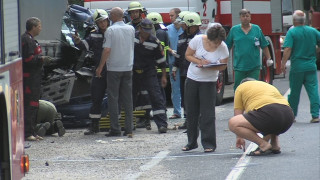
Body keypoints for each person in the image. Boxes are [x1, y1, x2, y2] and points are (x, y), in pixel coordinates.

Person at [182, 24, 229, 153]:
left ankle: (209, 143)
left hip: (209, 81)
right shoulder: (197, 40)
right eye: (216, 42)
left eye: (220, 41)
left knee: (208, 114)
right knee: (192, 112)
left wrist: (212, 66)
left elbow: (223, 66)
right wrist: (200, 62)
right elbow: (188, 55)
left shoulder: (223, 47)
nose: (218, 44)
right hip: (193, 79)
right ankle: (191, 142)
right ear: (209, 38)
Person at [228, 78, 294, 156]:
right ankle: (275, 144)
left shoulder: (241, 87)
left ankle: (263, 145)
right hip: (288, 116)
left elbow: (238, 114)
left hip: (269, 113)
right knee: (267, 118)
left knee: (233, 123)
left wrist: (239, 136)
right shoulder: (267, 86)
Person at [96, 7, 135, 137]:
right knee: (128, 99)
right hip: (128, 67)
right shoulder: (131, 29)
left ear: (114, 16)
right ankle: (129, 128)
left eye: (110, 15)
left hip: (114, 68)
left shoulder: (110, 30)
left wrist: (100, 66)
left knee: (113, 98)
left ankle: (115, 129)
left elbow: (107, 50)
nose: (109, 17)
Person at [72, 9, 110, 135]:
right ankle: (94, 126)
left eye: (104, 21)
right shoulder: (94, 34)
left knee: (116, 97)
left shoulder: (114, 32)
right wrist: (77, 41)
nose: (102, 24)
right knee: (96, 97)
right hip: (99, 70)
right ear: (97, 23)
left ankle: (116, 124)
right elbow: (85, 46)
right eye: (100, 22)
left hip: (113, 69)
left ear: (107, 20)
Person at [281, 10, 320, 123]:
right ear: (304, 21)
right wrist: (317, 50)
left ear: (294, 21)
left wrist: (283, 64)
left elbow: (288, 49)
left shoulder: (292, 32)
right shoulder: (313, 31)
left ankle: (292, 115)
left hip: (297, 67)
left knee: (294, 92)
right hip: (311, 66)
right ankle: (315, 115)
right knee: (313, 91)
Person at [132, 19, 168, 133]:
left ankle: (162, 124)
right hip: (133, 72)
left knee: (156, 97)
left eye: (149, 30)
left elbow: (162, 61)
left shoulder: (155, 42)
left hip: (149, 72)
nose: (147, 32)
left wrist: (163, 76)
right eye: (145, 30)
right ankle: (128, 124)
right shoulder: (132, 38)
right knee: (130, 98)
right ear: (140, 28)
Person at [225, 9, 272, 91]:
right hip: (239, 67)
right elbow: (227, 46)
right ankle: (239, 104)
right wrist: (222, 60)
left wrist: (269, 58)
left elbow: (264, 45)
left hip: (254, 66)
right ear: (240, 18)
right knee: (238, 89)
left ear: (250, 18)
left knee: (253, 89)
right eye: (243, 16)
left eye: (247, 16)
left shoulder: (256, 29)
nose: (245, 18)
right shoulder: (234, 30)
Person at [22, 17, 51, 141]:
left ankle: (33, 132)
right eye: (39, 26)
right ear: (33, 27)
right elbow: (26, 59)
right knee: (29, 106)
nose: (41, 28)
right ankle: (27, 133)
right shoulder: (26, 40)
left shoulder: (32, 40)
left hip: (35, 79)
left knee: (34, 105)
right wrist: (41, 59)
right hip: (29, 80)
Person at [172, 12, 202, 130]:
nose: (182, 26)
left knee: (195, 98)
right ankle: (188, 120)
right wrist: (175, 67)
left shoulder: (199, 38)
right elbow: (179, 54)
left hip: (195, 73)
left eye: (184, 24)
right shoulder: (182, 37)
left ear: (192, 26)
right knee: (186, 98)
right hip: (184, 71)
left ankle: (197, 121)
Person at [166, 8, 183, 119]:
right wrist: (171, 50)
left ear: (178, 16)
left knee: (187, 89)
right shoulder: (167, 29)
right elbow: (164, 44)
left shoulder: (184, 29)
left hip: (185, 63)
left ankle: (189, 112)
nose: (170, 18)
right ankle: (177, 111)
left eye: (172, 15)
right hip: (173, 63)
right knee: (175, 88)